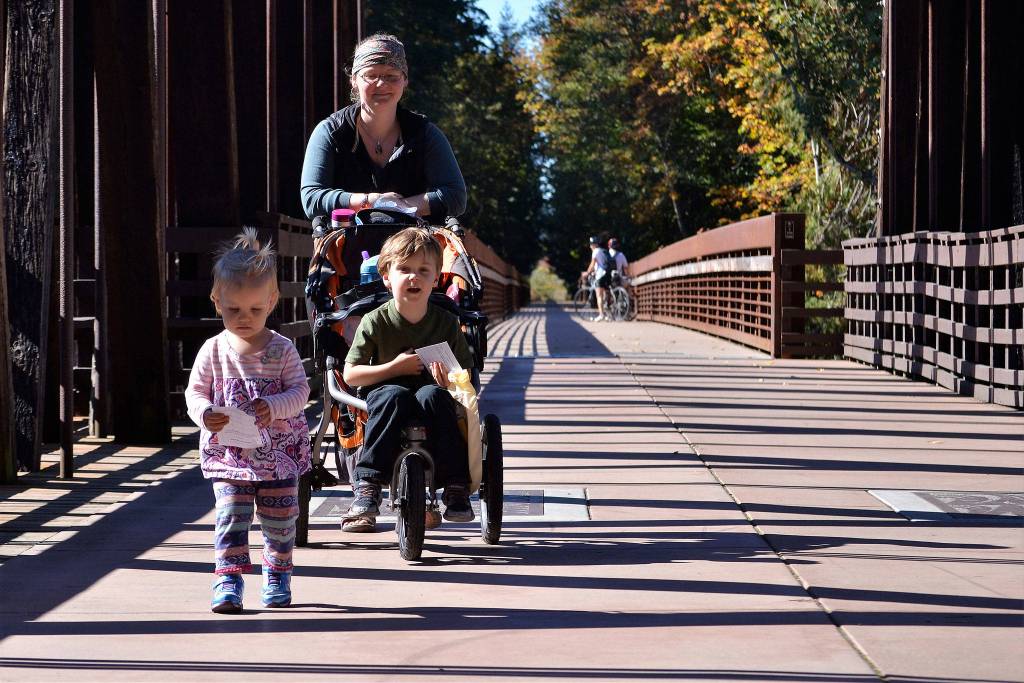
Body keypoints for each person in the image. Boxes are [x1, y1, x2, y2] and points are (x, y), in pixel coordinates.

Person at [185, 229, 311, 613]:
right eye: (233, 310)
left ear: (272, 301)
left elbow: (301, 393)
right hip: (230, 457)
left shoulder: (282, 349)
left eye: (255, 310)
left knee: (280, 519)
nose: (244, 318)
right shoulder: (213, 350)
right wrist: (206, 414)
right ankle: (228, 578)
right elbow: (195, 393)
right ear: (216, 301)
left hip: (279, 456)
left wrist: (274, 405)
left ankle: (277, 571)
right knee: (229, 517)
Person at [342, 227, 475, 532]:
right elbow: (351, 374)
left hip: (431, 393)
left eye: (423, 270)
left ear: (435, 278)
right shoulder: (375, 320)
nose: (413, 277)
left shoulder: (445, 322)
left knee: (435, 396)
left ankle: (455, 484)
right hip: (385, 391)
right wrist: (394, 368)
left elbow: (464, 376)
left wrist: (449, 382)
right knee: (394, 396)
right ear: (387, 277)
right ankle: (368, 485)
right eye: (404, 269)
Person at [300, 33, 466, 221]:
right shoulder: (331, 132)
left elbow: (456, 196)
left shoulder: (425, 134)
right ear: (354, 80)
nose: (381, 84)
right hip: (346, 245)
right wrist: (370, 202)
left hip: (412, 247)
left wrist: (398, 207)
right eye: (371, 75)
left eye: (391, 76)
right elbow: (311, 199)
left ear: (405, 80)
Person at [582, 235, 614, 321]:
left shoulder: (595, 251)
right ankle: (608, 315)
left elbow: (592, 264)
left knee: (599, 296)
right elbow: (601, 265)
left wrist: (587, 273)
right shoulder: (603, 251)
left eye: (591, 244)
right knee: (606, 295)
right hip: (608, 274)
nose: (590, 246)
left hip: (600, 275)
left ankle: (601, 315)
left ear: (594, 245)